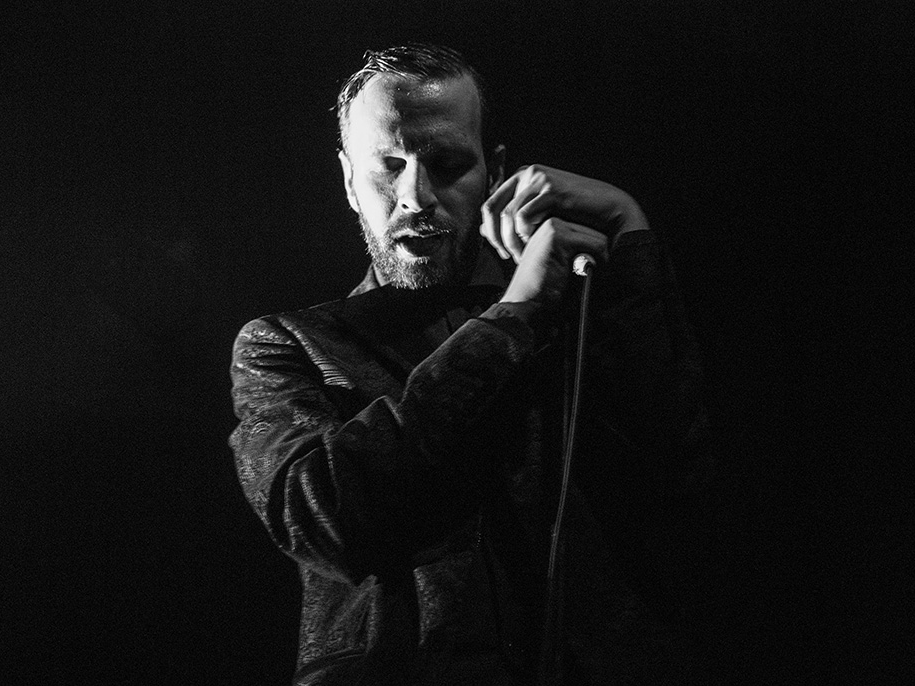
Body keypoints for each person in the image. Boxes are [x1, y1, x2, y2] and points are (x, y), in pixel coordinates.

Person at [230, 44, 708, 685]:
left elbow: (676, 478)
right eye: (388, 166)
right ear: (348, 182)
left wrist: (629, 228)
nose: (415, 196)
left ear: (495, 172)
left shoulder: (574, 316)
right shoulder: (289, 343)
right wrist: (513, 317)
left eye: (447, 164)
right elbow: (322, 520)